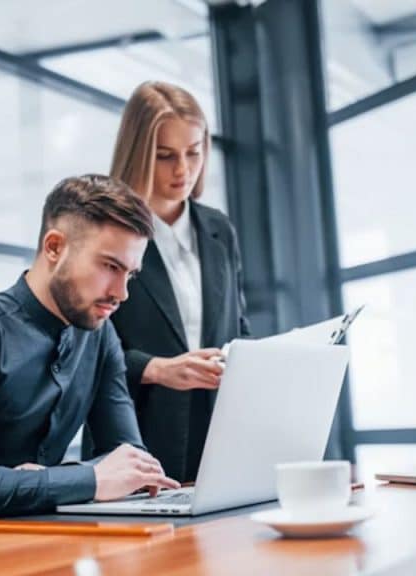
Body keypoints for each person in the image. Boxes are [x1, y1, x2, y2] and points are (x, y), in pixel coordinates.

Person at [0, 174, 180, 520]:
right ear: (55, 247)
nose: (122, 293)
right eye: (109, 266)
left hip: (37, 538)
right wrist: (84, 478)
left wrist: (60, 479)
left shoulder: (99, 336)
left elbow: (129, 458)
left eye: (130, 274)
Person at [103, 81, 251, 483]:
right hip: (140, 437)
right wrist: (156, 368)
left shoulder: (220, 230)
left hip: (220, 436)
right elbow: (85, 345)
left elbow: (238, 327)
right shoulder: (104, 230)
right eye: (165, 155)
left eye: (193, 152)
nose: (182, 170)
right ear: (138, 152)